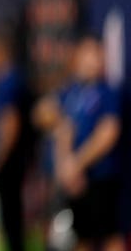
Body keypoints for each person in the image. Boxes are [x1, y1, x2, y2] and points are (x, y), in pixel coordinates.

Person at [51, 35, 124, 251]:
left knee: (109, 235)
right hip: (76, 181)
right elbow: (61, 126)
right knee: (79, 236)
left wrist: (78, 163)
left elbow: (108, 132)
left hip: (101, 177)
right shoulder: (72, 92)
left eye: (97, 53)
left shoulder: (107, 92)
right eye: (87, 53)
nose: (93, 60)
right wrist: (64, 166)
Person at [0, 33, 33, 251]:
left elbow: (10, 121)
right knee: (12, 217)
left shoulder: (7, 81)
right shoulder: (13, 79)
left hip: (11, 161)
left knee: (11, 216)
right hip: (16, 158)